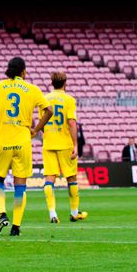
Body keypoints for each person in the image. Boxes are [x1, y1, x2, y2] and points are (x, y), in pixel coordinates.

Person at [0, 57, 51, 237]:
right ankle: (16, 226)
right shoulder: (32, 89)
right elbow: (49, 110)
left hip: (3, 141)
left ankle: (1, 214)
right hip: (23, 141)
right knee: (20, 184)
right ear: (24, 72)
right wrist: (36, 129)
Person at [42, 72, 86, 224]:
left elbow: (42, 121)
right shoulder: (69, 100)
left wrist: (47, 133)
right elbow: (72, 123)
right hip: (65, 143)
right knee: (71, 177)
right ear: (65, 83)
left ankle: (52, 214)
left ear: (51, 82)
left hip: (48, 143)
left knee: (49, 179)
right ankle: (74, 212)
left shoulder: (44, 99)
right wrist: (75, 144)